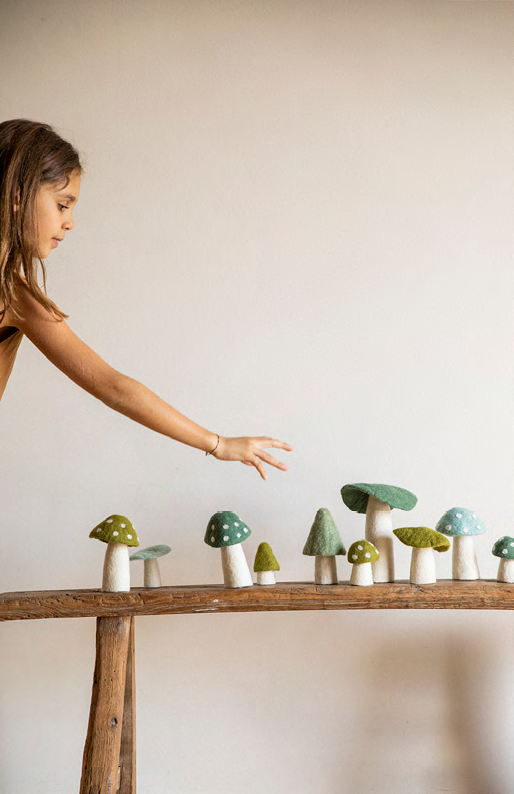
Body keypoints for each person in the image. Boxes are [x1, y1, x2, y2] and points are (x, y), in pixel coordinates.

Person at [0, 119, 293, 479]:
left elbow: (112, 387)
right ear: (17, 196)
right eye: (63, 205)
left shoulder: (15, 294)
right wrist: (218, 444)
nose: (70, 222)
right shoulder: (15, 296)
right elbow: (112, 386)